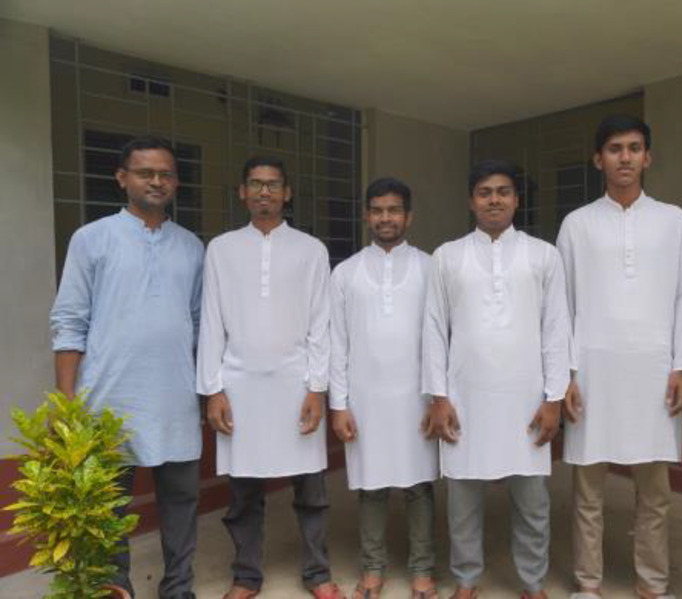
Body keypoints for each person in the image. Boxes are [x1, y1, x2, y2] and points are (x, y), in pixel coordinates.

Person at [50, 135, 204, 598]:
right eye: (145, 173)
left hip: (175, 398)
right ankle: (113, 586)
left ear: (175, 182)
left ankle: (178, 587)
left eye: (166, 174)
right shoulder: (91, 239)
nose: (157, 181)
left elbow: (199, 324)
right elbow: (68, 321)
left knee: (180, 502)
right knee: (108, 506)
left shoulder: (193, 246)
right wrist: (66, 400)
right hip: (106, 399)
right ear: (122, 179)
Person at [557, 115, 682, 599]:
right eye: (614, 148)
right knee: (588, 493)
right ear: (599, 159)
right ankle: (588, 585)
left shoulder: (675, 221)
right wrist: (566, 375)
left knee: (655, 494)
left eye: (634, 148)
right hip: (593, 373)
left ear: (647, 157)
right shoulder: (577, 224)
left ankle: (652, 585)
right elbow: (564, 305)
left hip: (655, 373)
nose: (625, 157)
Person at [421, 159, 570, 599]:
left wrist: (554, 398)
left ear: (516, 200)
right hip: (465, 395)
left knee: (533, 502)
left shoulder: (544, 255)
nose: (494, 200)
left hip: (526, 397)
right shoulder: (447, 256)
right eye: (485, 192)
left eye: (503, 191)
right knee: (463, 498)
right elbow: (433, 328)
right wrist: (439, 396)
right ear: (471, 201)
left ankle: (532, 582)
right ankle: (466, 580)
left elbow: (557, 328)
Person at [196, 156, 344, 599]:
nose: (264, 192)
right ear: (242, 192)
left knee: (311, 488)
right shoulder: (220, 249)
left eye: (273, 184)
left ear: (287, 193)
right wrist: (213, 389)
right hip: (238, 385)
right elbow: (210, 321)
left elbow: (321, 325)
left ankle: (317, 573)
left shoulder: (311, 249)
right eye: (256, 184)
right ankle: (246, 575)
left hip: (296, 384)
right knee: (243, 490)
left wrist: (317, 388)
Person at [330, 177, 439, 599]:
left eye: (394, 210)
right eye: (377, 210)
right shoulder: (346, 272)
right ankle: (373, 569)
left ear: (408, 216)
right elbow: (337, 342)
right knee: (371, 486)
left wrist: (438, 397)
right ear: (366, 216)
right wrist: (338, 405)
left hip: (418, 397)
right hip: (365, 398)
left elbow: (441, 338)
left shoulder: (431, 267)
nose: (385, 218)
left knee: (419, 487)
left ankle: (423, 571)